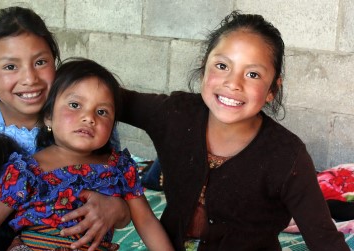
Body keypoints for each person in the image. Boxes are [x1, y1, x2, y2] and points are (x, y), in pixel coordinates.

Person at [81, 11, 348, 250]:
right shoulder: (175, 114)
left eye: (252, 74)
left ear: (272, 90)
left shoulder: (287, 156)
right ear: (203, 69)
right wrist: (45, 88)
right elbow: (102, 97)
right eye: (222, 66)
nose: (233, 83)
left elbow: (324, 238)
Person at [0, 58, 174, 251]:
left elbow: (145, 221)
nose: (89, 117)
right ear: (48, 117)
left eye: (102, 111)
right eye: (75, 105)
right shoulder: (26, 170)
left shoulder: (120, 168)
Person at [0, 6, 129, 250]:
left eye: (41, 62)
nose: (30, 78)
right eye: (11, 67)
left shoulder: (87, 125)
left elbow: (119, 190)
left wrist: (115, 208)